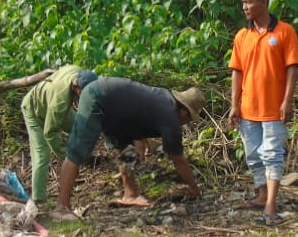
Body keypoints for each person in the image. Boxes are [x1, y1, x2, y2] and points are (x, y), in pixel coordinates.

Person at [52, 78, 204, 221]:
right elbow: (178, 160)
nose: (186, 123)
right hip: (98, 96)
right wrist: (193, 187)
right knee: (76, 152)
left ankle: (130, 195)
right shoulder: (171, 118)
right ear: (184, 112)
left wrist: (138, 139)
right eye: (190, 118)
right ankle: (61, 208)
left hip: (115, 108)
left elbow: (135, 111)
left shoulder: (164, 101)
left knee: (126, 149)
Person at [228, 0, 298, 225]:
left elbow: (292, 68)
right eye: (243, 2)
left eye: (249, 2)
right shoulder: (242, 36)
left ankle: (271, 204)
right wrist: (234, 104)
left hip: (274, 109)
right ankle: (261, 195)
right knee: (253, 156)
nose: (244, 7)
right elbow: (237, 72)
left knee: (272, 155)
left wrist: (287, 101)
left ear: (264, 2)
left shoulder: (284, 32)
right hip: (249, 109)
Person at [21, 66, 98, 205]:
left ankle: (87, 155)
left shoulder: (79, 73)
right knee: (42, 154)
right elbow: (50, 132)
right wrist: (68, 159)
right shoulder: (59, 102)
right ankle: (39, 199)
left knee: (81, 126)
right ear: (76, 88)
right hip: (34, 111)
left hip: (49, 101)